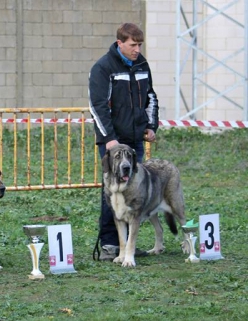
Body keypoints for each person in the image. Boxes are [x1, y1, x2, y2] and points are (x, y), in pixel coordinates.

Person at [88, 22, 159, 261]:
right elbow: (97, 107)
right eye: (132, 45)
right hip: (112, 144)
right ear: (120, 43)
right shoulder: (103, 68)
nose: (137, 49)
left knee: (134, 191)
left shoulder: (141, 64)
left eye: (139, 45)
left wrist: (150, 125)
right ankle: (109, 244)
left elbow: (150, 96)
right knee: (112, 192)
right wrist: (109, 140)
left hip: (134, 141)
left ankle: (128, 245)